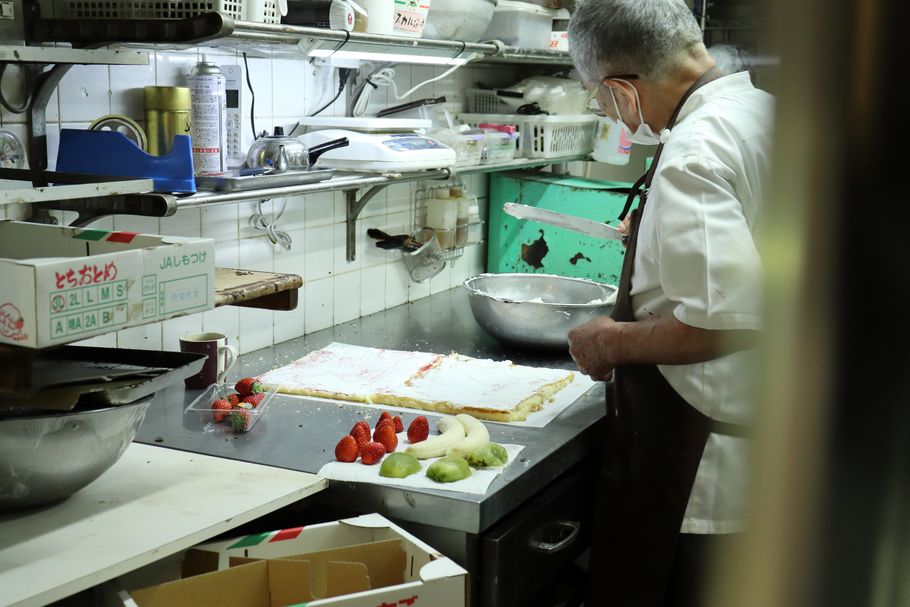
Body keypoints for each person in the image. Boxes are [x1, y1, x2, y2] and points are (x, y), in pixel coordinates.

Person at [566, 1, 774, 605]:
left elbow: (727, 323)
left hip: (704, 470)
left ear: (622, 91)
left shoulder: (693, 152)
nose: (603, 109)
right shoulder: (761, 111)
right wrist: (659, 235)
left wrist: (608, 338)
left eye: (594, 96)